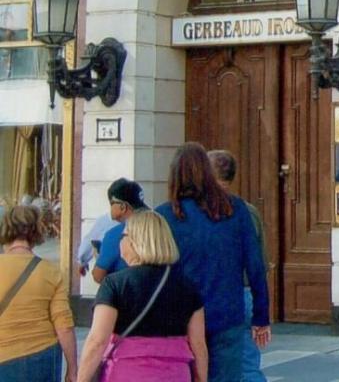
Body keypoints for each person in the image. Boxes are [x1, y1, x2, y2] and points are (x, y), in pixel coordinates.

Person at [157, 142, 270, 382]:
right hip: (226, 311)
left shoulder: (165, 215)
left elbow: (155, 270)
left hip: (180, 317)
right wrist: (261, 316)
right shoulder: (235, 209)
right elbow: (255, 264)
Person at [77, 210, 208, 382]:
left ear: (135, 241)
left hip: (126, 373)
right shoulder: (187, 287)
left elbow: (97, 341)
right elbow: (198, 345)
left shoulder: (115, 284)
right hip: (175, 374)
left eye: (123, 236)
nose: (120, 242)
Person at [208, 149, 268, 382]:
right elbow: (261, 261)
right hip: (246, 292)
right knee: (246, 363)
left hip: (225, 293)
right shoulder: (248, 210)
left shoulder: (216, 211)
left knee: (230, 364)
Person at [0, 205, 77, 381]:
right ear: (36, 231)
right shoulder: (51, 271)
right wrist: (72, 368)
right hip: (43, 357)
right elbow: (64, 325)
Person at [93, 178, 150, 283]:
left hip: (126, 294)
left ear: (123, 206)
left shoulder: (114, 235)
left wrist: (98, 257)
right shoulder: (159, 228)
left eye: (111, 203)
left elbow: (98, 276)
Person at [77, 210, 117, 278]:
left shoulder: (107, 220)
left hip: (113, 272)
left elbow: (90, 240)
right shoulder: (138, 216)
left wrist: (82, 261)